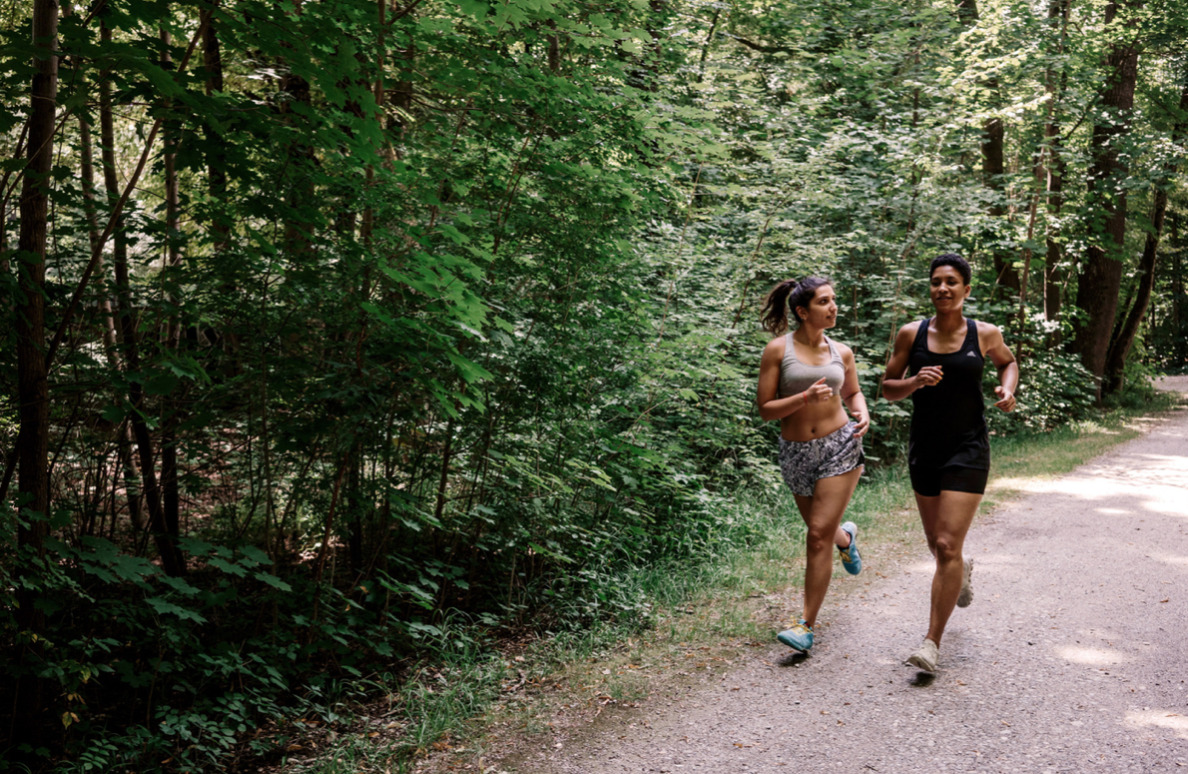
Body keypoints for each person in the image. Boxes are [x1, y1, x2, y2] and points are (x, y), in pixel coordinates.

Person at [881, 253, 1018, 673]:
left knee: (946, 545)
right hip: (925, 448)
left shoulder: (985, 333)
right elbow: (887, 388)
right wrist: (914, 381)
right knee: (937, 545)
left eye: (952, 282)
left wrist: (1007, 389)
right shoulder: (911, 334)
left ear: (966, 290)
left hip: (968, 447)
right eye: (936, 281)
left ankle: (931, 643)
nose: (942, 288)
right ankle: (961, 574)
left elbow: (1008, 362)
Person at [757, 276, 870, 653]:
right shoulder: (777, 350)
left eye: (834, 299)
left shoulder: (843, 352)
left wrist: (862, 412)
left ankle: (805, 625)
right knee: (823, 532)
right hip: (796, 452)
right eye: (824, 301)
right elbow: (766, 410)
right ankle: (846, 538)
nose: (833, 307)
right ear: (803, 312)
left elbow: (853, 391)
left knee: (816, 535)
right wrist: (803, 397)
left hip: (840, 446)